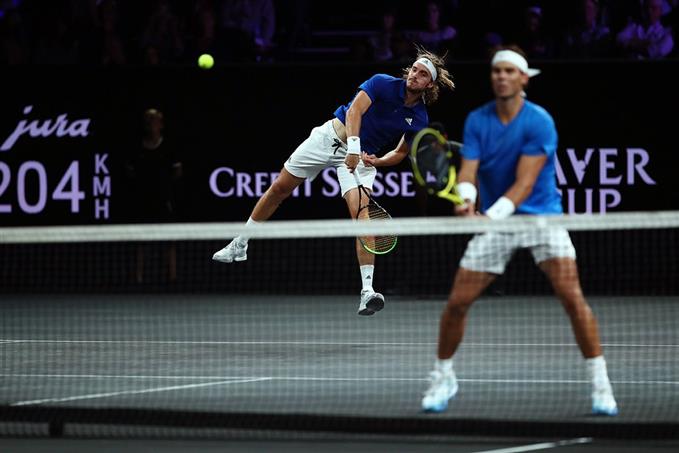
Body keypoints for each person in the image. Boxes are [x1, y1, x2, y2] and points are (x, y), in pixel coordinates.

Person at [420, 46, 618, 416]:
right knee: (457, 303)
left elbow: (525, 184)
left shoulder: (539, 121)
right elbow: (468, 171)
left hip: (542, 219)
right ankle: (442, 377)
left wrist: (489, 217)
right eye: (497, 71)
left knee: (572, 299)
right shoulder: (478, 120)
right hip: (497, 224)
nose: (502, 77)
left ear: (523, 78)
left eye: (510, 71)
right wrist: (466, 199)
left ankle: (601, 384)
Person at [213, 48, 455, 315]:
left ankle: (367, 291)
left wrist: (376, 161)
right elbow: (354, 112)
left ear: (429, 84)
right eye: (414, 69)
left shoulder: (419, 118)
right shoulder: (382, 83)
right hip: (330, 139)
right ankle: (240, 243)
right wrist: (353, 147)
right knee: (280, 188)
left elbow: (399, 153)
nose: (414, 75)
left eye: (422, 74)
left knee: (362, 214)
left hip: (360, 159)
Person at [126, 108, 183, 284]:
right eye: (148, 120)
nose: (151, 124)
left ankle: (172, 278)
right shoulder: (136, 147)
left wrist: (164, 185)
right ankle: (138, 278)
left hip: (164, 200)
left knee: (169, 240)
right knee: (140, 241)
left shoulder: (169, 147)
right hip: (142, 201)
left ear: (161, 124)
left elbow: (178, 171)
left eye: (155, 120)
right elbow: (129, 171)